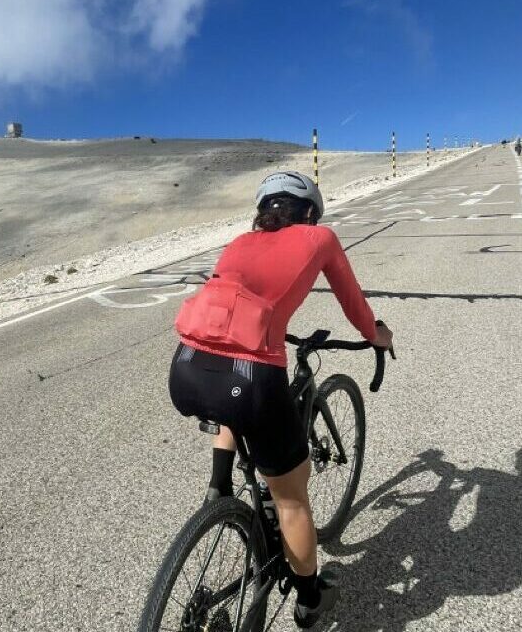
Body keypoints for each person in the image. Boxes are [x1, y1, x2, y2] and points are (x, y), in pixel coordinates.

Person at [168, 171, 393, 629]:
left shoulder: (237, 244)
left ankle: (220, 488)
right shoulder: (320, 237)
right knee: (290, 498)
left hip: (186, 368)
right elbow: (354, 305)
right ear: (309, 211)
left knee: (231, 386)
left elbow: (225, 321)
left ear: (264, 208)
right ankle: (310, 599)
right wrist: (378, 336)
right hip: (254, 380)